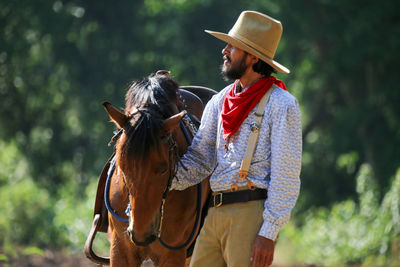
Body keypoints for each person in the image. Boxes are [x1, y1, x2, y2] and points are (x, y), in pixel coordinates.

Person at [171, 10, 302, 267]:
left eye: (232, 46)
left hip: (250, 211)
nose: (224, 51)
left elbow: (286, 174)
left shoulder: (282, 104)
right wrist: (160, 181)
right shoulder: (219, 101)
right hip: (215, 212)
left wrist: (268, 232)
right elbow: (200, 159)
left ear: (252, 56)